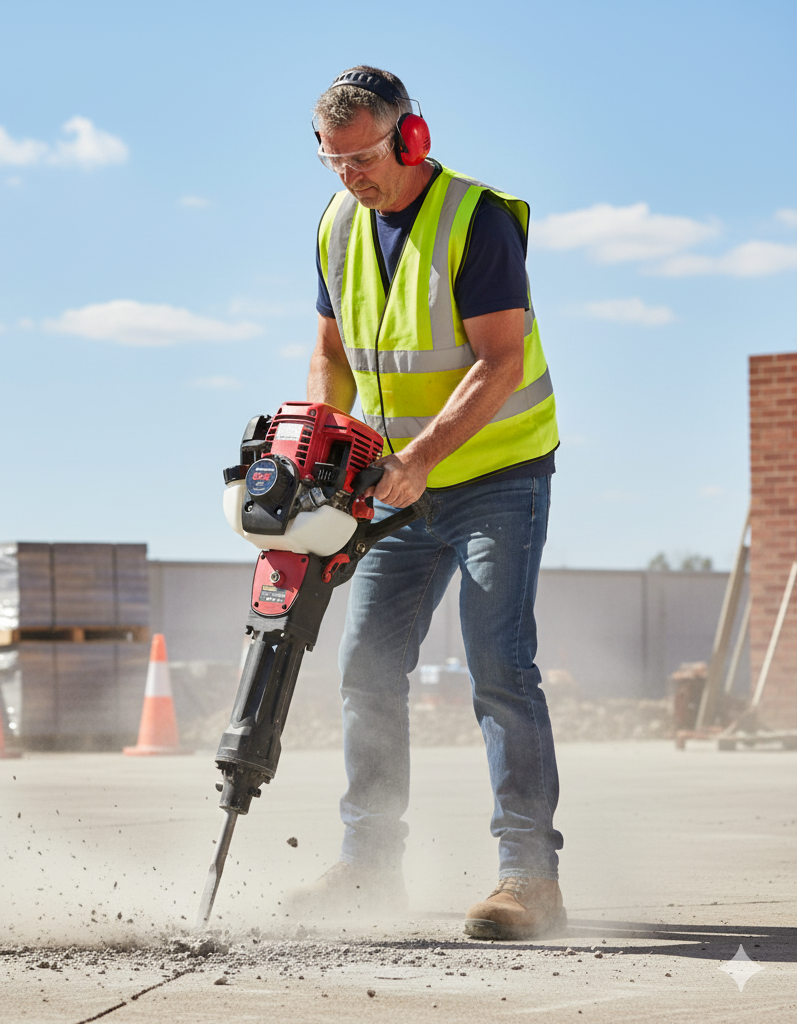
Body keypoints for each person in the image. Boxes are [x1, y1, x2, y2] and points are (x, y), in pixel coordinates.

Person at [296, 66, 565, 940]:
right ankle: (368, 870)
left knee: (500, 673)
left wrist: (418, 457)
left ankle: (528, 876)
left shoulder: (476, 220)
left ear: (411, 137)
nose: (350, 177)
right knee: (365, 669)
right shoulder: (338, 225)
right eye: (333, 161)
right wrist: (321, 448)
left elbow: (502, 362)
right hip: (394, 493)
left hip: (498, 478)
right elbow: (330, 354)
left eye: (365, 157)